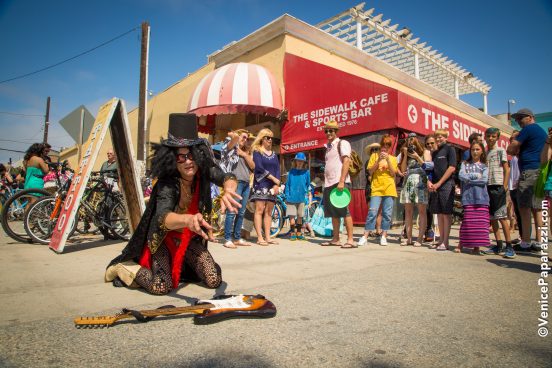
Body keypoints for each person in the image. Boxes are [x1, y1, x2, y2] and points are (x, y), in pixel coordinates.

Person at [105, 113, 241, 295]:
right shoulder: (167, 183)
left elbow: (226, 177)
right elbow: (163, 218)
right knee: (161, 286)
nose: (188, 161)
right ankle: (123, 269)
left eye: (192, 155)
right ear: (171, 159)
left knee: (214, 279)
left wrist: (229, 188)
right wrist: (188, 220)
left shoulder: (203, 171)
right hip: (163, 239)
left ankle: (184, 265)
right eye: (181, 157)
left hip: (187, 238)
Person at [506, 108, 547, 252]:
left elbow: (511, 149)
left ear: (530, 117)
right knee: (537, 208)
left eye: (520, 118)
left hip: (529, 171)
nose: (518, 121)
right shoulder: (541, 131)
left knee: (524, 208)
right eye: (516, 119)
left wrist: (516, 147)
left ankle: (525, 242)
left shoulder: (528, 130)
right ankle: (539, 241)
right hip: (539, 171)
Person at [358, 134, 398, 246]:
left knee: (387, 213)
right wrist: (378, 160)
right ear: (381, 145)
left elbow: (393, 174)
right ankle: (365, 235)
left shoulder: (393, 158)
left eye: (388, 145)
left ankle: (384, 235)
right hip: (376, 187)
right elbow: (370, 172)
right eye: (383, 144)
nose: (385, 146)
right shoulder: (374, 156)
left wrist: (388, 160)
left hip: (389, 188)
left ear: (390, 147)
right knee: (372, 211)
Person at [320, 120, 355, 248]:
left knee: (344, 211)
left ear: (336, 131)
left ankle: (350, 240)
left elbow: (346, 162)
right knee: (333, 213)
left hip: (340, 182)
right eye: (326, 131)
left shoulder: (342, 143)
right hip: (329, 183)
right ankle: (336, 239)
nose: (328, 133)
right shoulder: (328, 147)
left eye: (331, 130)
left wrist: (341, 181)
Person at [219, 129, 255, 248]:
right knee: (232, 212)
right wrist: (234, 137)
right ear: (238, 137)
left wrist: (244, 154)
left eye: (246, 138)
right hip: (235, 183)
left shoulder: (245, 152)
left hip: (245, 183)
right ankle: (227, 238)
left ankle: (237, 237)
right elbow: (230, 143)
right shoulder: (230, 148)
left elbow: (253, 166)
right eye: (243, 137)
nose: (245, 140)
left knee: (241, 212)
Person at [482, 127, 514, 258]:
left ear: (497, 138)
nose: (490, 138)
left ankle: (509, 246)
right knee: (492, 218)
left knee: (501, 217)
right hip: (487, 186)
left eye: (493, 136)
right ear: (485, 137)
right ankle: (498, 244)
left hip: (498, 186)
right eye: (488, 136)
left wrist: (504, 186)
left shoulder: (501, 151)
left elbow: (507, 169)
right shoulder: (485, 152)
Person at [398, 133, 431, 247]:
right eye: (408, 140)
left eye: (413, 139)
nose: (411, 141)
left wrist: (417, 156)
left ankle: (420, 238)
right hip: (408, 182)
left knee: (422, 211)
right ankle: (409, 238)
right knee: (408, 211)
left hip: (421, 181)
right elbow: (402, 170)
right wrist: (406, 154)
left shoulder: (425, 152)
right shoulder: (405, 152)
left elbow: (428, 167)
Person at [458, 142, 491, 255]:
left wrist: (469, 179)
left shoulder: (485, 165)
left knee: (479, 224)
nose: (475, 152)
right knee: (467, 222)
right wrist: (476, 176)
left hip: (481, 197)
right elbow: (461, 176)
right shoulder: (465, 163)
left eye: (477, 149)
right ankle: (461, 243)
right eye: (473, 149)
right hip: (468, 197)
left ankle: (476, 247)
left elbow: (485, 180)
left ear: (482, 151)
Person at [251, 128, 281, 246]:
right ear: (262, 139)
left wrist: (276, 184)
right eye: (267, 137)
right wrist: (273, 179)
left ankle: (268, 237)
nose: (270, 140)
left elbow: (278, 169)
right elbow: (259, 167)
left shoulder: (274, 154)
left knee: (269, 211)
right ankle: (260, 237)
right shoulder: (257, 151)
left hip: (272, 185)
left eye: (271, 138)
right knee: (259, 210)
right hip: (261, 183)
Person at [428, 129, 456, 251]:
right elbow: (432, 170)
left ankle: (446, 241)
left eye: (441, 137)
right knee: (439, 214)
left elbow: (452, 167)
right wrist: (430, 182)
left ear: (446, 137)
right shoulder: (434, 153)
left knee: (446, 213)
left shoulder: (450, 149)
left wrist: (439, 183)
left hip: (447, 185)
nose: (439, 139)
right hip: (436, 186)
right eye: (437, 137)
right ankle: (440, 240)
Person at [284, 152, 311, 241]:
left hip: (301, 197)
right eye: (298, 161)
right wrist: (287, 196)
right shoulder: (291, 172)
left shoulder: (307, 172)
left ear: (304, 162)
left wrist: (308, 193)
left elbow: (308, 184)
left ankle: (299, 232)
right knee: (292, 215)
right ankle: (292, 232)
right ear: (295, 161)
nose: (300, 162)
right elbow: (287, 184)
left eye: (301, 161)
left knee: (300, 216)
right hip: (291, 197)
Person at [508, 131, 522, 243]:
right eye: (510, 139)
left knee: (523, 213)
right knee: (517, 213)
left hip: (520, 187)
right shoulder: (513, 158)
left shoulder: (521, 155)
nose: (512, 141)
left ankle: (527, 238)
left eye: (514, 139)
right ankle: (522, 237)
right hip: (512, 187)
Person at [423, 135, 437, 242]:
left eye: (432, 143)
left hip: (439, 183)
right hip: (428, 183)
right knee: (427, 208)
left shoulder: (440, 153)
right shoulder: (425, 153)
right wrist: (428, 180)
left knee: (436, 209)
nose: (429, 145)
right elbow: (424, 170)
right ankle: (428, 230)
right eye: (427, 143)